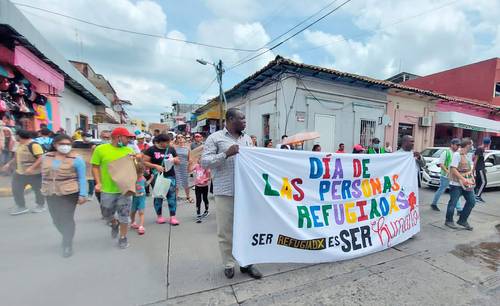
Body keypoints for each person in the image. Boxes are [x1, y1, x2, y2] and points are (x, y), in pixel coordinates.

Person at [201, 107, 262, 280]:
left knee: (246, 229)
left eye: (244, 119)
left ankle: (246, 262)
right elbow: (204, 162)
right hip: (225, 192)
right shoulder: (215, 138)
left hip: (246, 193)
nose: (244, 121)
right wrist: (225, 154)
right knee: (226, 231)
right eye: (241, 119)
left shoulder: (248, 139)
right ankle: (228, 263)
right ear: (229, 119)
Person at [41, 134, 88, 257]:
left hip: (69, 192)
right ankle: (67, 235)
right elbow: (43, 175)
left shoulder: (77, 159)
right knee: (56, 220)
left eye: (68, 144)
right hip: (51, 192)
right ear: (55, 145)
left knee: (66, 218)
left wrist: (83, 194)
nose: (65, 147)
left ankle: (67, 244)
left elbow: (82, 178)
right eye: (62, 144)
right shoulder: (46, 157)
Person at [91, 127, 135, 249]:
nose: (129, 140)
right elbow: (95, 166)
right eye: (127, 137)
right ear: (118, 137)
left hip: (124, 190)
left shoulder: (129, 150)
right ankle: (114, 223)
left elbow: (133, 168)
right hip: (107, 189)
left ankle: (123, 237)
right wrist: (98, 182)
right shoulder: (100, 149)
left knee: (124, 215)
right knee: (106, 213)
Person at [2, 129, 45, 215]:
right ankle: (21, 206)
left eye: (15, 135)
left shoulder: (34, 145)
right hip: (20, 172)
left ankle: (40, 205)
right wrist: (8, 164)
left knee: (37, 190)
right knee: (16, 189)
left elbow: (41, 158)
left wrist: (32, 168)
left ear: (19, 136)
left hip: (34, 174)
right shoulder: (19, 144)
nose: (14, 136)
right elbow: (16, 157)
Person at [143, 133, 180, 225]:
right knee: (158, 196)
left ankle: (173, 217)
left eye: (169, 142)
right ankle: (159, 216)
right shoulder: (151, 150)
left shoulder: (171, 149)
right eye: (166, 142)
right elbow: (144, 162)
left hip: (170, 175)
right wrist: (155, 166)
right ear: (159, 142)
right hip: (157, 177)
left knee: (172, 196)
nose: (168, 144)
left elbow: (178, 161)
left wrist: (174, 160)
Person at [445, 138, 476, 230]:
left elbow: (468, 170)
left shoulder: (467, 155)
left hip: (466, 184)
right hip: (456, 184)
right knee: (453, 203)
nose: (472, 147)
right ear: (468, 145)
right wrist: (463, 179)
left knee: (471, 201)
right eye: (472, 145)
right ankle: (449, 220)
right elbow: (453, 169)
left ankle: (462, 220)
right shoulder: (457, 155)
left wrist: (472, 178)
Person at [430, 138, 460, 211]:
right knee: (441, 190)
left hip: (454, 176)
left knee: (455, 191)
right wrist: (448, 172)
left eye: (459, 145)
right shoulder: (446, 152)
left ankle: (459, 209)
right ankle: (434, 203)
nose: (458, 146)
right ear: (452, 145)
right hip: (445, 176)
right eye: (457, 145)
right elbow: (441, 164)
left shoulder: (458, 153)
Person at [72, 132, 97, 199]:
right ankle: (79, 193)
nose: (88, 138)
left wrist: (94, 148)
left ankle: (90, 194)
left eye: (89, 136)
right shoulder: (77, 144)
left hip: (89, 164)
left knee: (90, 180)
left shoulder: (93, 144)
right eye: (87, 136)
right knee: (78, 179)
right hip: (79, 163)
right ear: (82, 137)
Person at [130, 162, 149, 235]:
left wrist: (151, 178)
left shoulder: (143, 178)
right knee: (133, 211)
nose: (140, 175)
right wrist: (134, 187)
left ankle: (141, 226)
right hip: (134, 197)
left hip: (142, 197)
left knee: (141, 212)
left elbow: (146, 184)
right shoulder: (133, 179)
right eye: (138, 173)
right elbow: (129, 187)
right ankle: (133, 222)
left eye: (141, 173)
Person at [190, 158, 211, 223]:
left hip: (204, 186)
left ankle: (206, 211)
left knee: (205, 199)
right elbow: (188, 170)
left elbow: (209, 178)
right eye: (199, 160)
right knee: (198, 200)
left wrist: (204, 180)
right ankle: (198, 214)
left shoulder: (207, 168)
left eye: (201, 160)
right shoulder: (196, 166)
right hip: (197, 186)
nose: (199, 161)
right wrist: (189, 164)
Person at [174, 134, 193, 203]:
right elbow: (172, 158)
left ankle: (188, 196)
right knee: (176, 183)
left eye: (182, 137)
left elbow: (190, 159)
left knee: (186, 182)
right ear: (176, 139)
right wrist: (174, 160)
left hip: (185, 167)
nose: (180, 139)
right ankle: (175, 198)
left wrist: (190, 167)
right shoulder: (174, 148)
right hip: (176, 167)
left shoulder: (187, 148)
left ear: (184, 139)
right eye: (178, 137)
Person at [474, 137, 490, 203]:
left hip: (481, 168)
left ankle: (475, 196)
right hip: (479, 168)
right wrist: (473, 169)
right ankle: (477, 196)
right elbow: (476, 159)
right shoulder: (479, 149)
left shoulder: (482, 149)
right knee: (484, 182)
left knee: (478, 183)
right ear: (488, 143)